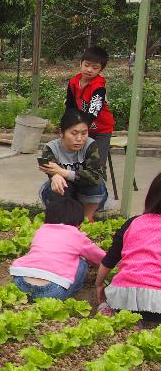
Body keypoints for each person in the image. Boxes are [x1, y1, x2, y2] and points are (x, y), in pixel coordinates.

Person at [95, 171, 161, 323]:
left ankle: (108, 311)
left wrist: (99, 284)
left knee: (106, 306)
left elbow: (109, 260)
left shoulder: (134, 222)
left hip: (123, 300)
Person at [9, 195, 105, 300]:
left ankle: (27, 296)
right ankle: (72, 292)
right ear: (79, 223)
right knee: (81, 263)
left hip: (21, 282)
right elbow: (102, 259)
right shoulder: (77, 235)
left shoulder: (41, 230)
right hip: (53, 290)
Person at [38, 109, 107, 220]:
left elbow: (96, 176)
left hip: (86, 192)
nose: (79, 139)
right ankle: (63, 217)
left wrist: (62, 172)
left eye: (84, 133)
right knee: (56, 186)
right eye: (74, 133)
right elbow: (48, 168)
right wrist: (55, 175)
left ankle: (87, 218)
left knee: (96, 184)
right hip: (66, 190)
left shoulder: (90, 145)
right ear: (61, 133)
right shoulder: (51, 148)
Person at [65, 45, 114, 172]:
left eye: (95, 67)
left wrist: (79, 129)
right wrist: (66, 126)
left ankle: (100, 190)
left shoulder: (98, 87)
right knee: (76, 162)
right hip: (83, 127)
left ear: (100, 69)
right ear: (80, 63)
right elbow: (70, 106)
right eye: (86, 65)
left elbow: (93, 111)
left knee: (97, 163)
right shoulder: (73, 82)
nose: (89, 70)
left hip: (102, 130)